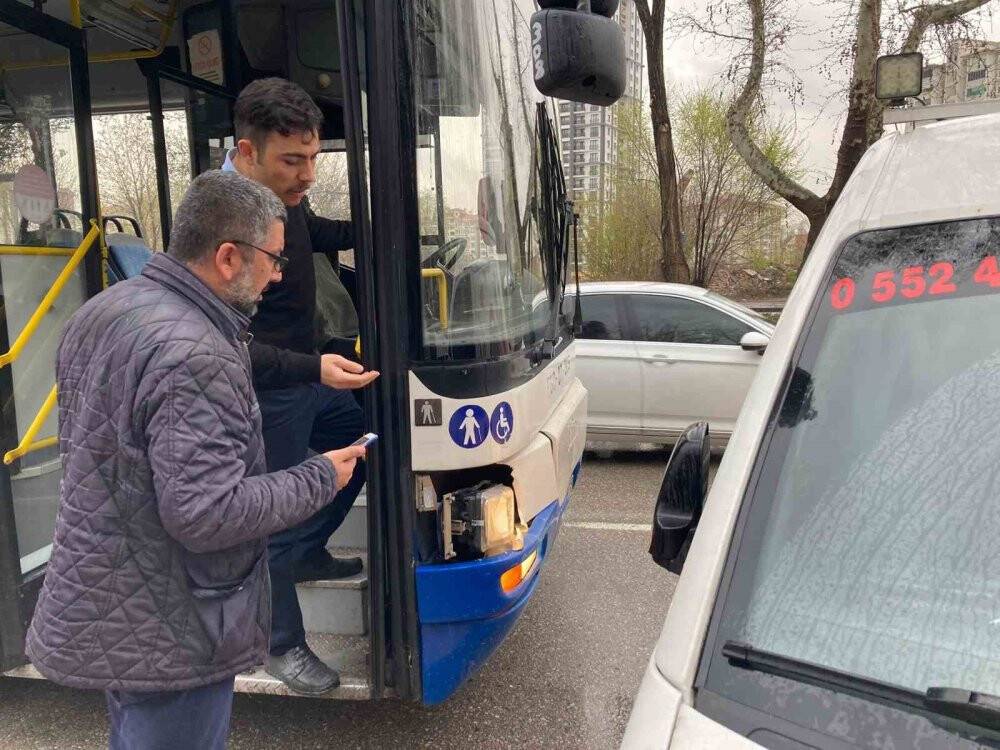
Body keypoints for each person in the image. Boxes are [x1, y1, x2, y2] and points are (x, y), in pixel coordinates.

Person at [24, 170, 366, 750]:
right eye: (274, 261)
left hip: (120, 602)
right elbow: (207, 513)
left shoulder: (105, 311)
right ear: (229, 257)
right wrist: (319, 476)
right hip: (175, 623)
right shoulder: (196, 353)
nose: (278, 275)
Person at [222, 77, 378, 695]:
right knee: (274, 519)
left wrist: (383, 224)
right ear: (245, 152)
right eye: (292, 160)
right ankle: (280, 645)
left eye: (313, 157)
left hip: (306, 373)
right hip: (267, 388)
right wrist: (311, 370)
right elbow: (226, 346)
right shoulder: (225, 223)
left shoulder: (284, 199)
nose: (306, 173)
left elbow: (316, 235)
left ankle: (312, 549)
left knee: (359, 447)